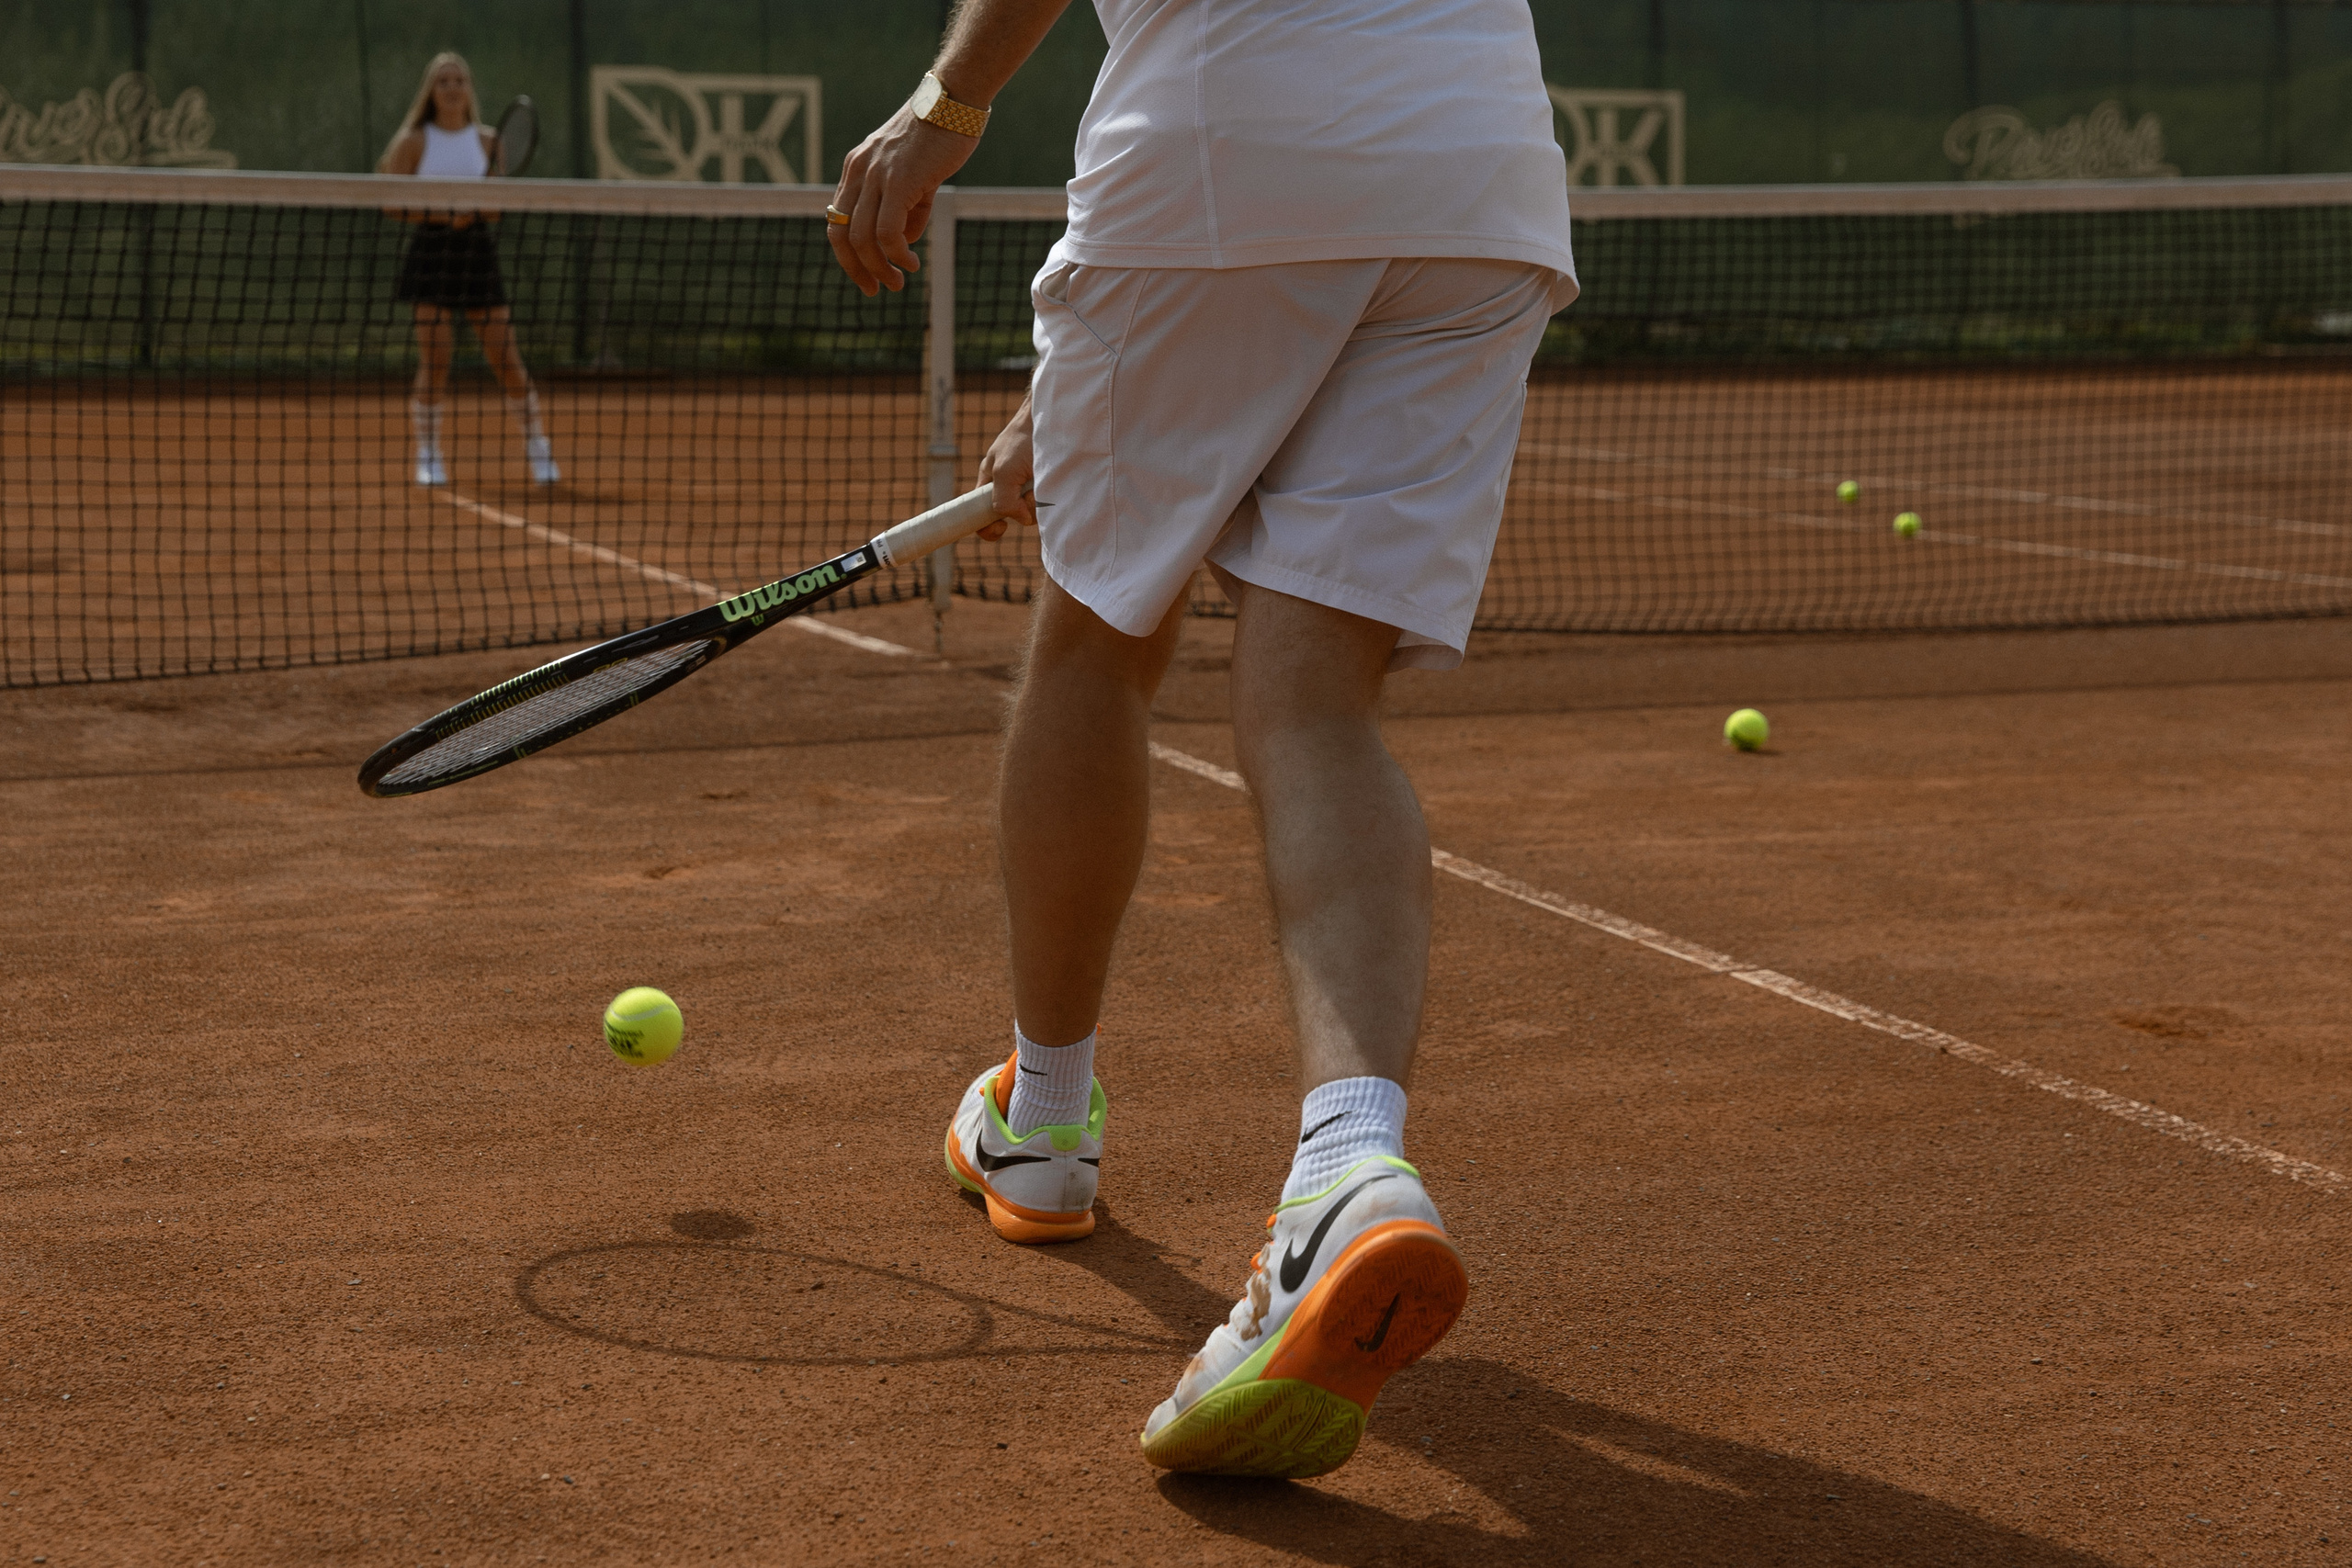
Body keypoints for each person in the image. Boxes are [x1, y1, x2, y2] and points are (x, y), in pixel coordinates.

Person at [828, 0, 1576, 1478]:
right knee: (1315, 696)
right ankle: (1350, 1164)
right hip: (1478, 173)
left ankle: (1042, 1117)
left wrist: (945, 108)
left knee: (1097, 642)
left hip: (1231, 146)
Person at [378, 52, 559, 489]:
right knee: (436, 359)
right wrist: (441, 215)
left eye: (459, 80)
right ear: (431, 91)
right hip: (431, 253)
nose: (453, 87)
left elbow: (497, 209)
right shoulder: (414, 141)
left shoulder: (490, 142)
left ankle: (538, 448)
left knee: (506, 360)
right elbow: (389, 202)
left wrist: (475, 211)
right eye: (444, 81)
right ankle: (429, 453)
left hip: (477, 254)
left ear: (469, 89)